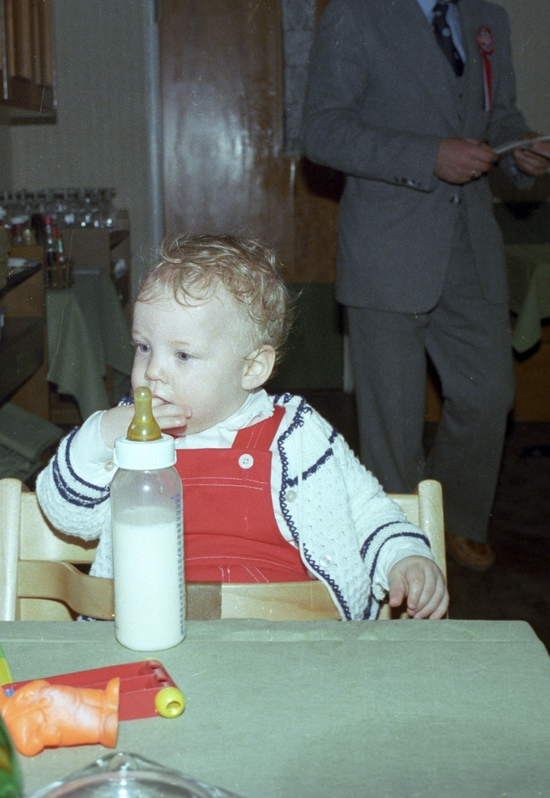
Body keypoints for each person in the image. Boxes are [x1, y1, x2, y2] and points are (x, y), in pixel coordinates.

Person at [36, 235, 449, 621]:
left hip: (287, 636)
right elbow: (67, 513)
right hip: (154, 626)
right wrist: (100, 435)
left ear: (252, 368)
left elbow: (367, 510)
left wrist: (405, 557)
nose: (153, 371)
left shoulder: (298, 433)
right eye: (144, 347)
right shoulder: (125, 438)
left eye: (182, 355)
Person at [302, 0, 550, 572]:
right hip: (387, 249)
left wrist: (522, 151)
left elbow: (500, 116)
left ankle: (456, 516)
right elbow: (322, 131)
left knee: (490, 394)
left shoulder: (491, 19)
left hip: (470, 244)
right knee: (393, 422)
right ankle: (398, 545)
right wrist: (427, 155)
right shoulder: (355, 16)